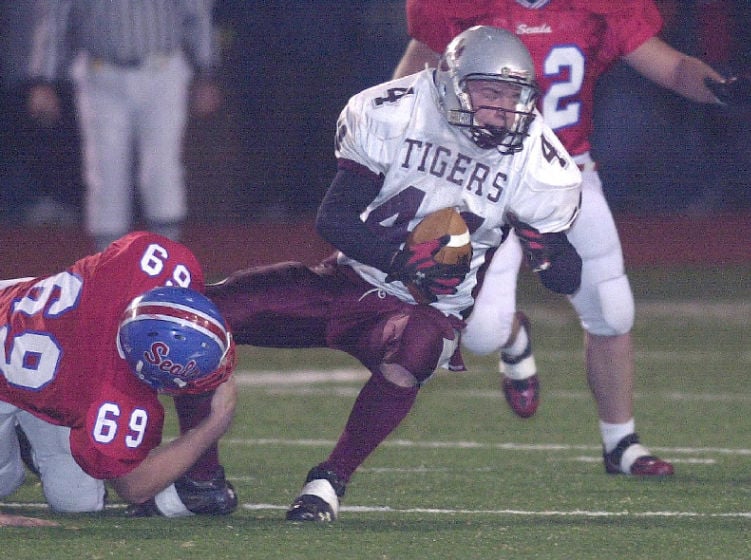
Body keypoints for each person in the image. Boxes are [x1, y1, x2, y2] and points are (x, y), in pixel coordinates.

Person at [206, 25, 582, 522]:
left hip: (425, 309)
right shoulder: (397, 109)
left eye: (514, 96)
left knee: (421, 343)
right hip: (350, 277)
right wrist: (403, 264)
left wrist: (550, 256)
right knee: (201, 316)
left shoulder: (537, 159)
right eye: (490, 92)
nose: (503, 109)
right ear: (453, 83)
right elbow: (334, 219)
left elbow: (567, 277)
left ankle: (328, 480)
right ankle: (200, 479)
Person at [392, 0, 732, 476]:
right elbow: (405, 84)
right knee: (484, 333)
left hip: (567, 175)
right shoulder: (466, 9)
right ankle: (514, 335)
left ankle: (622, 442)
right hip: (483, 181)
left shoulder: (593, 9)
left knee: (612, 310)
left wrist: (722, 89)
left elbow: (675, 69)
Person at [0, 231, 237, 527]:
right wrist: (212, 425)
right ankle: (24, 434)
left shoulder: (142, 266)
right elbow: (136, 487)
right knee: (4, 481)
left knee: (78, 503)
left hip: (36, 341)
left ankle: (32, 424)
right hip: (30, 358)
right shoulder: (111, 391)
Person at [25, 0, 221, 251]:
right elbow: (55, 17)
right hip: (101, 74)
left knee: (162, 169)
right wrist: (43, 79)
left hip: (162, 70)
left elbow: (197, 12)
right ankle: (109, 261)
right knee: (105, 173)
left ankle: (167, 257)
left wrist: (206, 72)